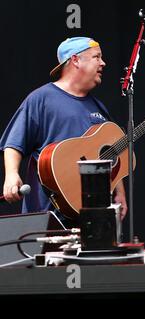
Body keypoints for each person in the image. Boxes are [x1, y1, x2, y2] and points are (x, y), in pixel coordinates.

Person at [0, 37, 127, 226]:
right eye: (96, 57)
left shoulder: (99, 108)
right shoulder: (42, 99)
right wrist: (11, 175)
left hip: (92, 219)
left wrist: (120, 193)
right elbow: (14, 143)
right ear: (75, 60)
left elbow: (112, 156)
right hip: (49, 216)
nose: (103, 63)